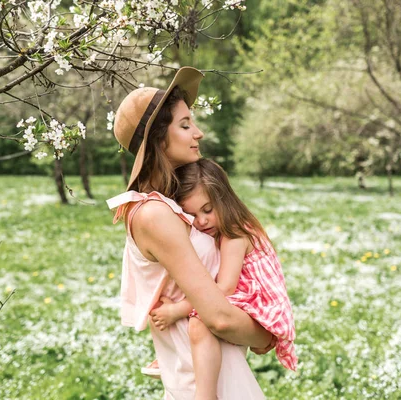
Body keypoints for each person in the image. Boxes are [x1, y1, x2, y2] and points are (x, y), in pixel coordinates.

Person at [106, 67, 275, 399]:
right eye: (184, 125)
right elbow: (219, 318)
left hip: (214, 367)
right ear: (157, 138)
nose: (197, 133)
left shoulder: (170, 206)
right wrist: (267, 337)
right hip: (203, 382)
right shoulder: (155, 214)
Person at [147, 159, 297, 399]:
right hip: (247, 303)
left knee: (199, 321)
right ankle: (180, 358)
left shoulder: (235, 233)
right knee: (202, 321)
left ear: (224, 200)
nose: (202, 221)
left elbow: (224, 289)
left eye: (208, 210)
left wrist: (177, 310)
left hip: (261, 308)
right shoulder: (221, 232)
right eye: (191, 214)